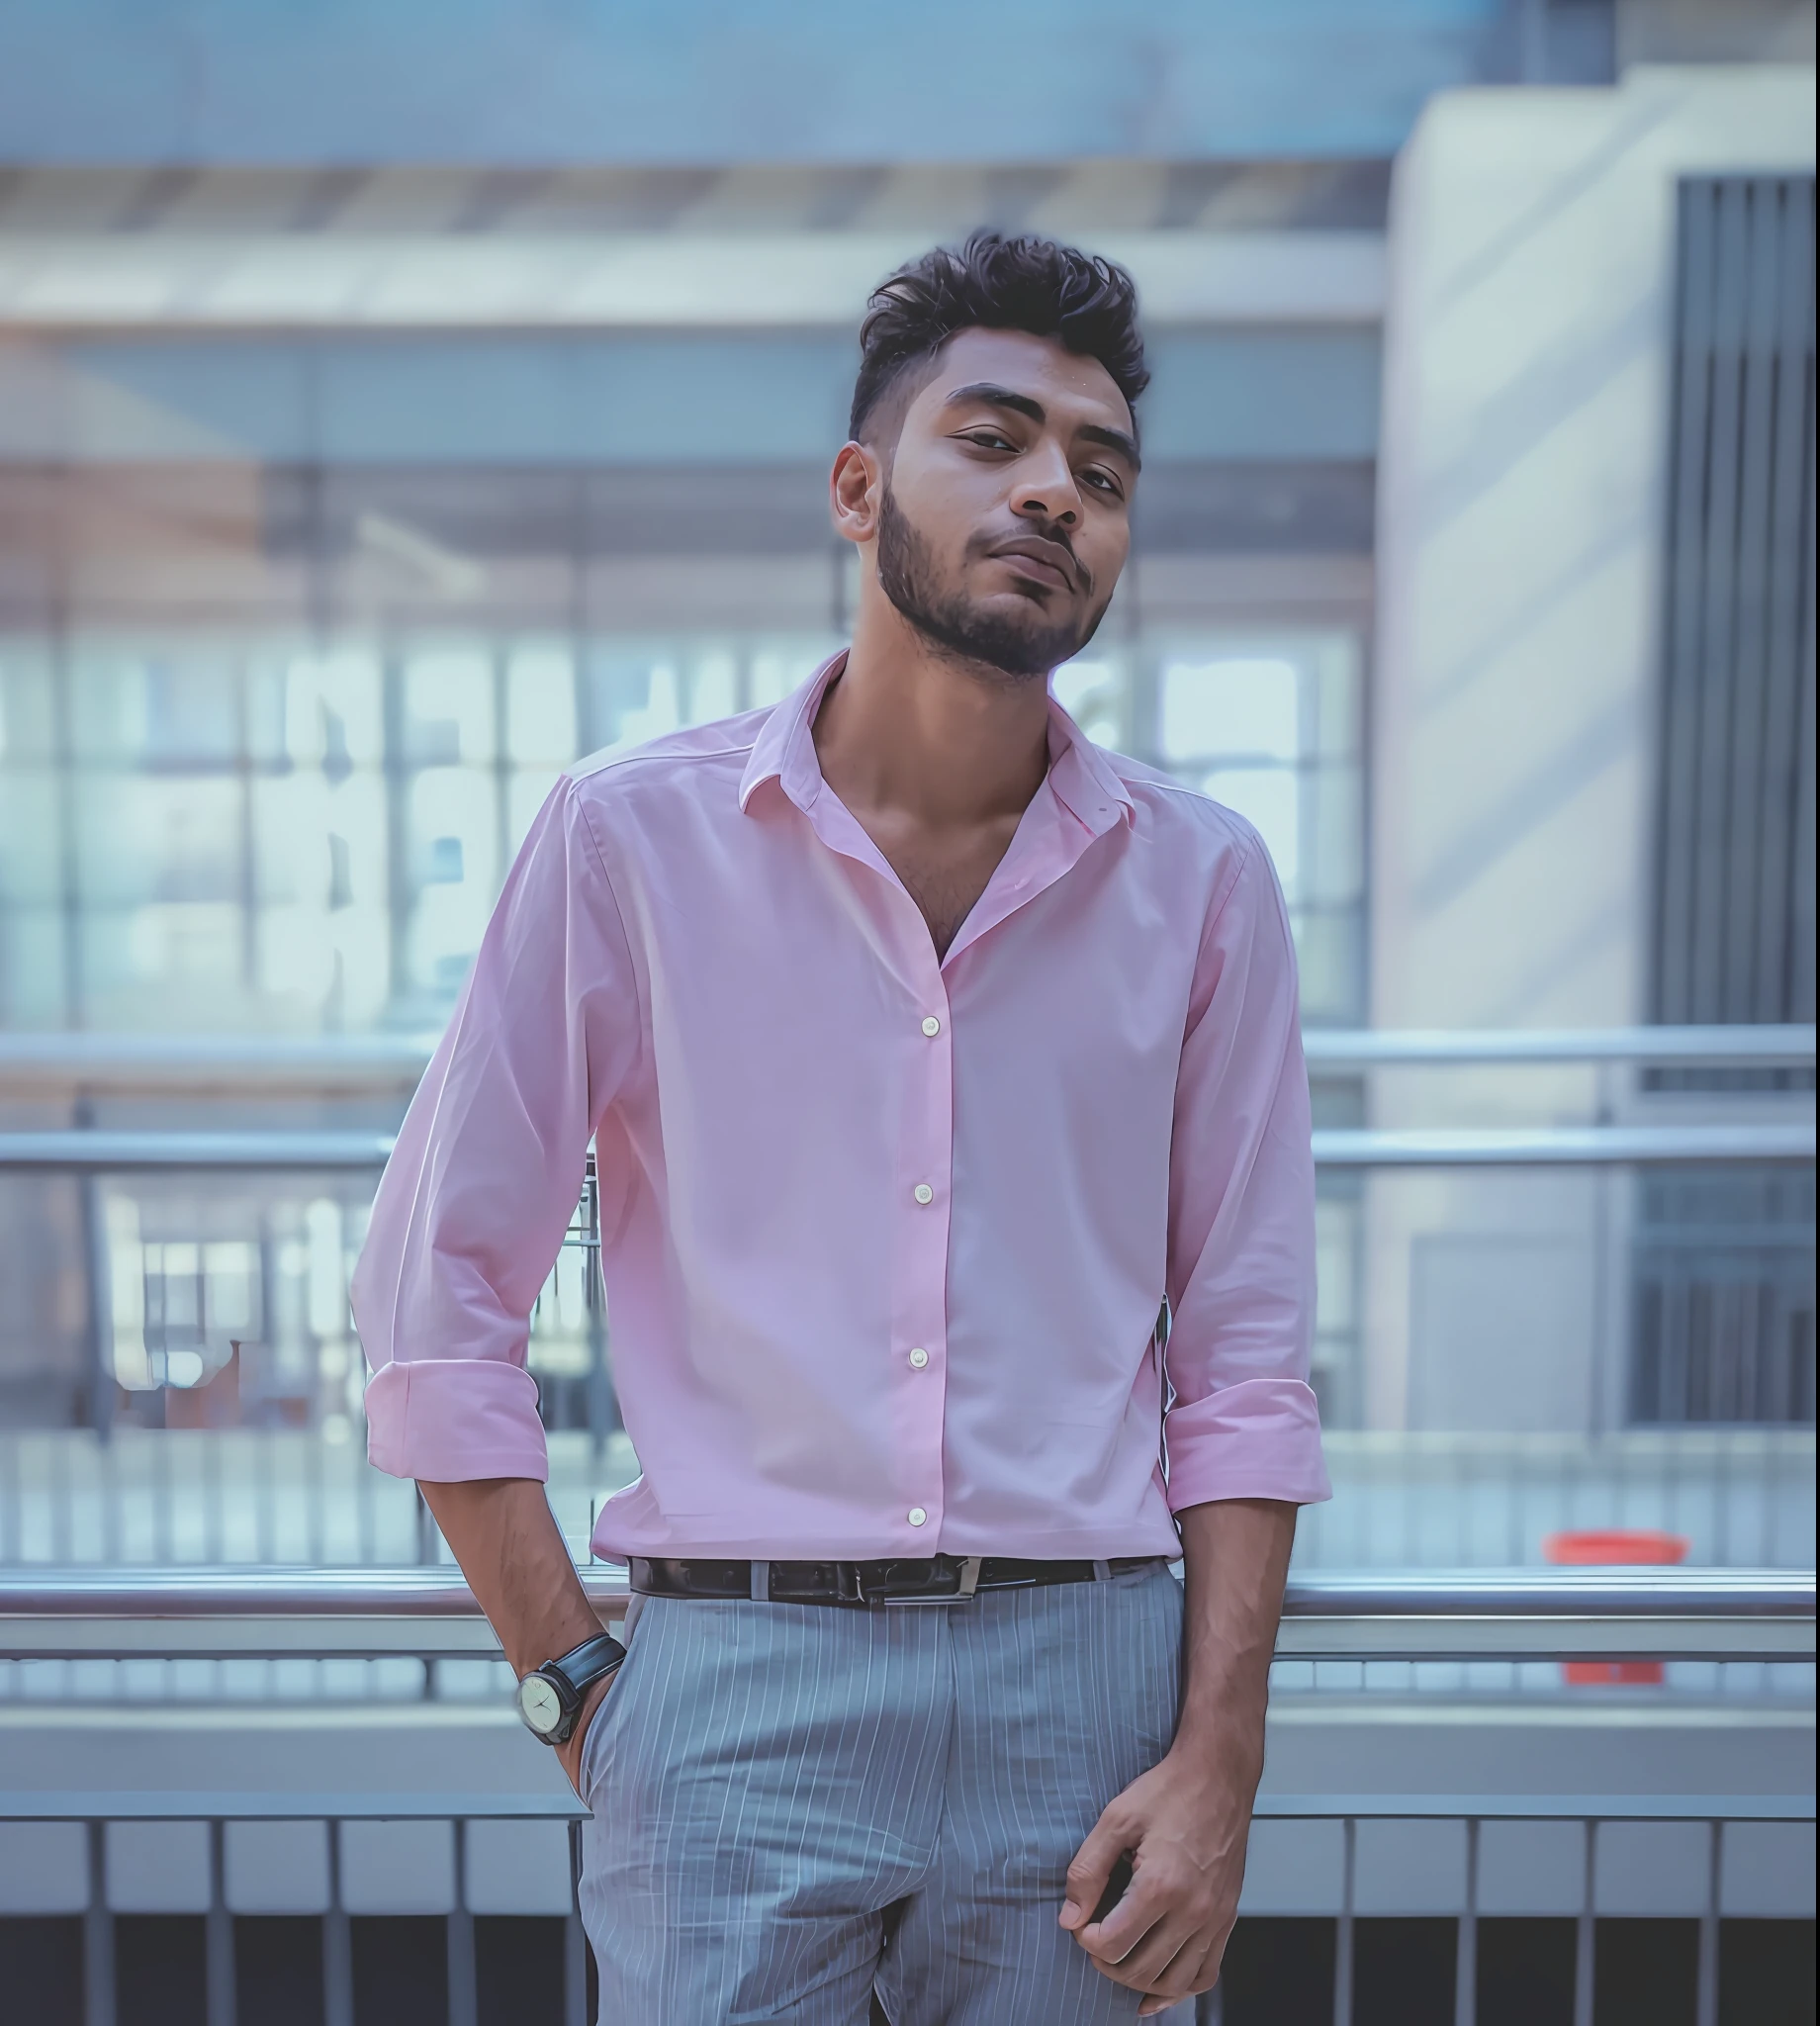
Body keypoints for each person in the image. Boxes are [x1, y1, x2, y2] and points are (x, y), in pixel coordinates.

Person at [350, 230, 1330, 2023]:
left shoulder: (1205, 887)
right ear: (858, 487)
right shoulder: (623, 845)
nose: (1056, 492)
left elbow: (1249, 1361)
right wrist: (577, 1685)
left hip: (1085, 1693)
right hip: (729, 1685)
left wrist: (1220, 1763)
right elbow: (435, 1306)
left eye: (1101, 473)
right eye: (997, 438)